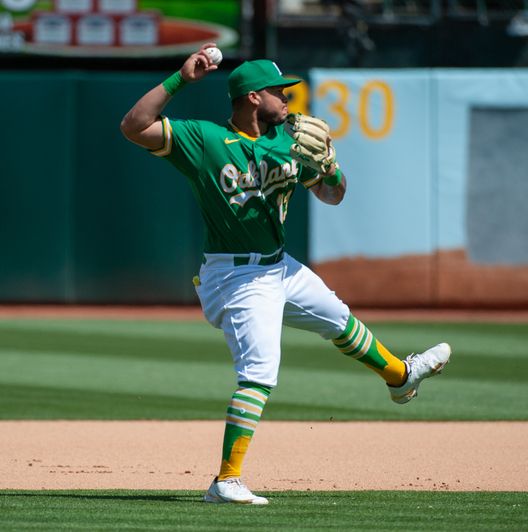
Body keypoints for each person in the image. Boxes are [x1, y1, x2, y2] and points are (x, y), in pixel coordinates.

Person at [119, 43, 451, 505]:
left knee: (339, 319)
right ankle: (226, 481)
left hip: (279, 265)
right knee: (259, 372)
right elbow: (133, 126)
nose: (289, 99)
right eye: (280, 91)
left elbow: (334, 196)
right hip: (234, 277)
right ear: (253, 97)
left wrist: (331, 168)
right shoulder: (205, 141)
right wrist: (180, 78)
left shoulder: (289, 139)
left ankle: (400, 378)